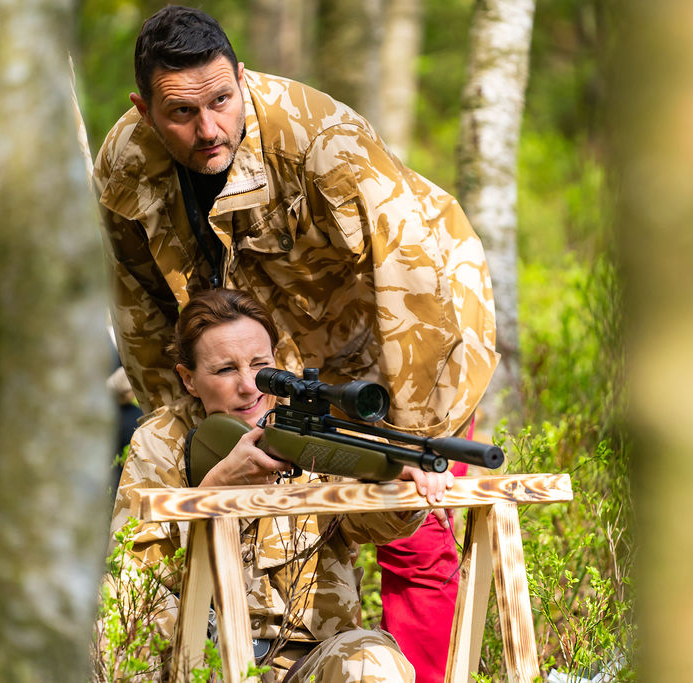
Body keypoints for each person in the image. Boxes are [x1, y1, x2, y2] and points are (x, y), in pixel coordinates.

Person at [93, 7, 499, 681]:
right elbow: (141, 301)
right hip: (266, 356)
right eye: (182, 113)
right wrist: (188, 425)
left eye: (222, 101)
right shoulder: (127, 164)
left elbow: (415, 274)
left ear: (243, 81)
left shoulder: (320, 139)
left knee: (417, 531)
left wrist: (413, 436)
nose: (209, 128)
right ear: (143, 109)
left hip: (403, 332)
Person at [111, 288, 426, 681]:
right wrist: (214, 492)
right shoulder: (161, 441)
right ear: (189, 379)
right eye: (225, 370)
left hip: (306, 658)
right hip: (198, 654)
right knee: (111, 602)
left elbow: (376, 524)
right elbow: (133, 569)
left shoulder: (311, 432)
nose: (249, 386)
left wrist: (403, 486)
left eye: (260, 365)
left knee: (373, 661)